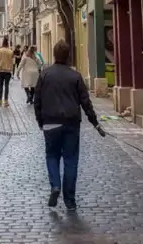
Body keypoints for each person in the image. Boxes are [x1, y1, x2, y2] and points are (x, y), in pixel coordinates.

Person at [34, 39, 106, 211]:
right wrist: (95, 122)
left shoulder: (45, 74)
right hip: (71, 123)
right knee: (71, 160)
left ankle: (55, 185)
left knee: (52, 155)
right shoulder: (76, 76)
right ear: (68, 56)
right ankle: (70, 200)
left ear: (54, 55)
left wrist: (40, 121)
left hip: (50, 122)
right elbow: (86, 102)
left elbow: (37, 100)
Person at [0, 36, 14, 107]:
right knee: (6, 85)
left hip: (1, 70)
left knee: (1, 85)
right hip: (8, 71)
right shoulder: (10, 51)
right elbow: (12, 61)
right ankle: (6, 101)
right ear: (8, 43)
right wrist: (11, 69)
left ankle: (0, 100)